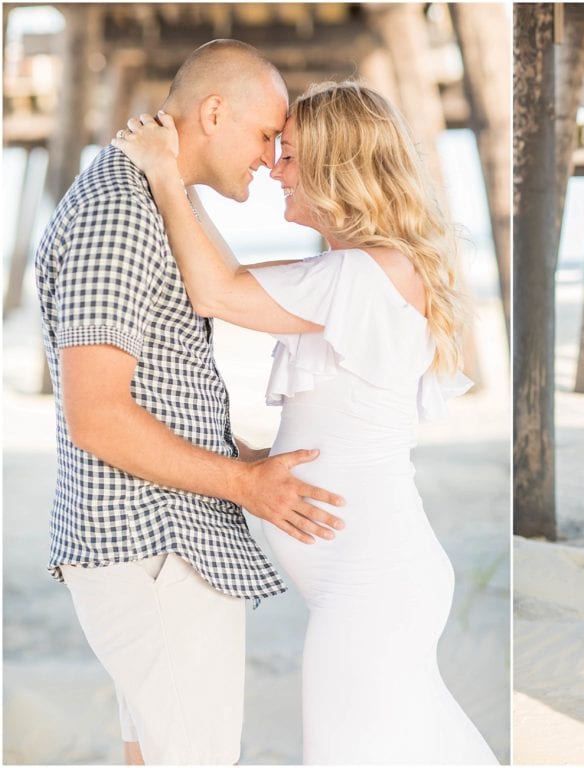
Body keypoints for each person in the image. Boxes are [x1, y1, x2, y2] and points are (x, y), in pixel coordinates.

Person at [114, 80, 498, 764]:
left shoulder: (358, 273)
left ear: (334, 167)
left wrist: (170, 177)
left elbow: (214, 290)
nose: (273, 168)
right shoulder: (364, 270)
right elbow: (334, 427)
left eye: (288, 154)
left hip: (370, 589)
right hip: (383, 580)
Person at [35, 40, 344, 765]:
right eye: (268, 135)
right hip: (151, 544)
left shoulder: (149, 198)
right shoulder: (118, 213)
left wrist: (245, 456)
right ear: (213, 112)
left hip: (160, 541)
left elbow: (165, 380)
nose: (273, 160)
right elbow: (98, 415)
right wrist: (248, 485)